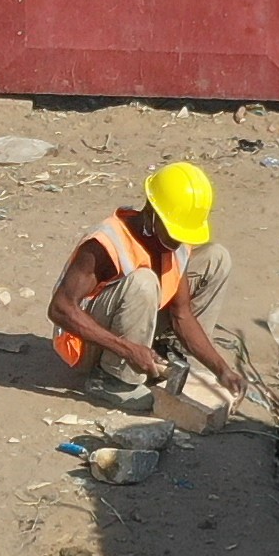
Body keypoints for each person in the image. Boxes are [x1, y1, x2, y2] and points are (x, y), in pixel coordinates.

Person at [48, 160, 246, 413]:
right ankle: (113, 379)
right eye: (173, 232)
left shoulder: (175, 244)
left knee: (217, 258)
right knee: (144, 281)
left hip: (133, 326)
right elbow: (60, 309)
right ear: (152, 213)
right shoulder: (105, 244)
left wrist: (221, 369)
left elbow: (182, 314)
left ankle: (168, 356)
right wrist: (127, 350)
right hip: (88, 344)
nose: (178, 242)